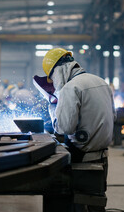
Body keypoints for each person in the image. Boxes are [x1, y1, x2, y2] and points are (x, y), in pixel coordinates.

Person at [41, 47, 116, 212]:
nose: (53, 82)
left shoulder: (70, 88)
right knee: (96, 204)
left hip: (83, 161)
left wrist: (53, 109)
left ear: (58, 70)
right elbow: (113, 116)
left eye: (52, 77)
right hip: (103, 156)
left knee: (81, 204)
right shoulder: (101, 82)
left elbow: (64, 127)